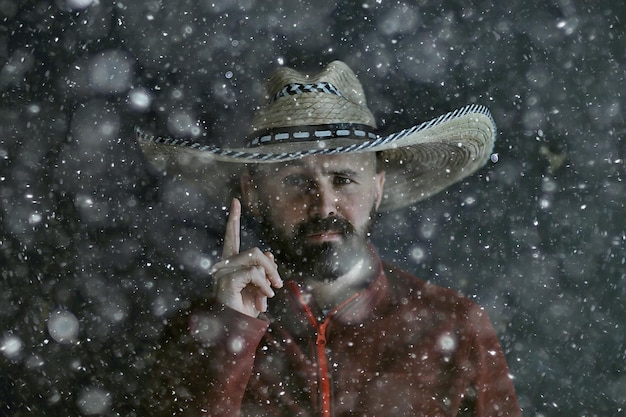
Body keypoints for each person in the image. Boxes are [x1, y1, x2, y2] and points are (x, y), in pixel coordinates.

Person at [136, 61, 522, 416]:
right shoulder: (200, 331)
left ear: (377, 189)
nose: (324, 206)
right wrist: (229, 338)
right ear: (252, 194)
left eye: (343, 179)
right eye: (296, 181)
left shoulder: (456, 326)